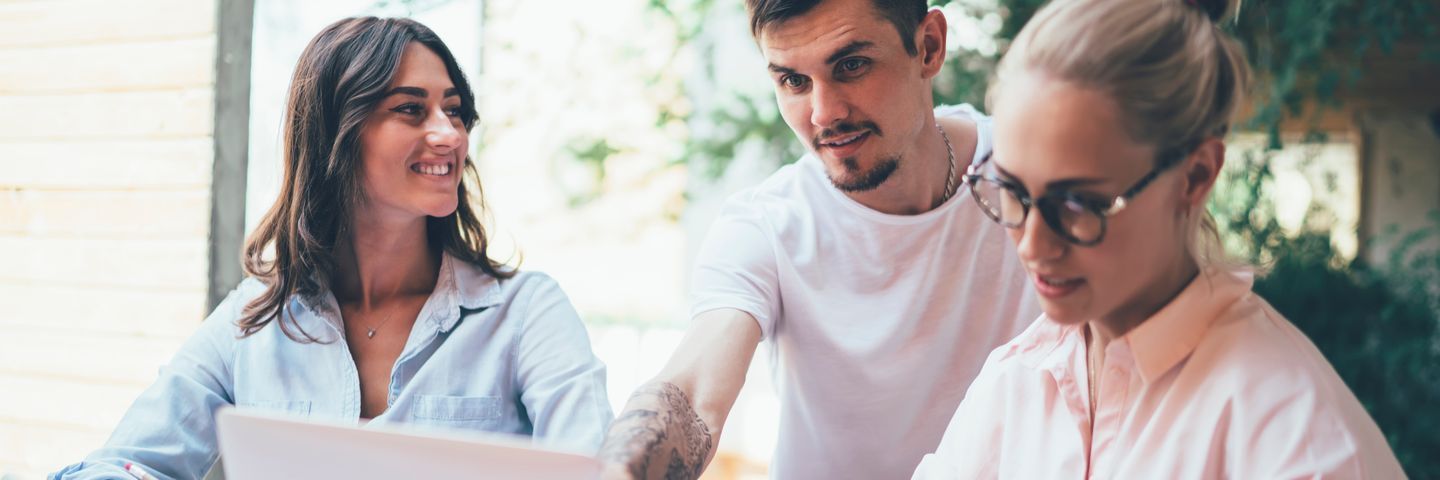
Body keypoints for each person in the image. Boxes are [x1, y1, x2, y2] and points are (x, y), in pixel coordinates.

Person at [52, 17, 612, 480]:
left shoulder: (526, 314)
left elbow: (598, 468)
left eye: (455, 110)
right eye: (411, 109)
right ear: (336, 133)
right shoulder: (253, 322)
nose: (450, 134)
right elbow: (121, 464)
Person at [912, 0, 1405, 477]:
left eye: (1079, 203)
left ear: (1196, 176)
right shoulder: (1017, 381)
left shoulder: (1298, 441)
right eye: (1013, 191)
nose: (1033, 246)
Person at [598, 0, 1039, 478]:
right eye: (793, 81)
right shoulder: (765, 224)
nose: (824, 114)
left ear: (929, 47)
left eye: (852, 66)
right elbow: (695, 390)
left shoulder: (1039, 177)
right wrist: (622, 469)